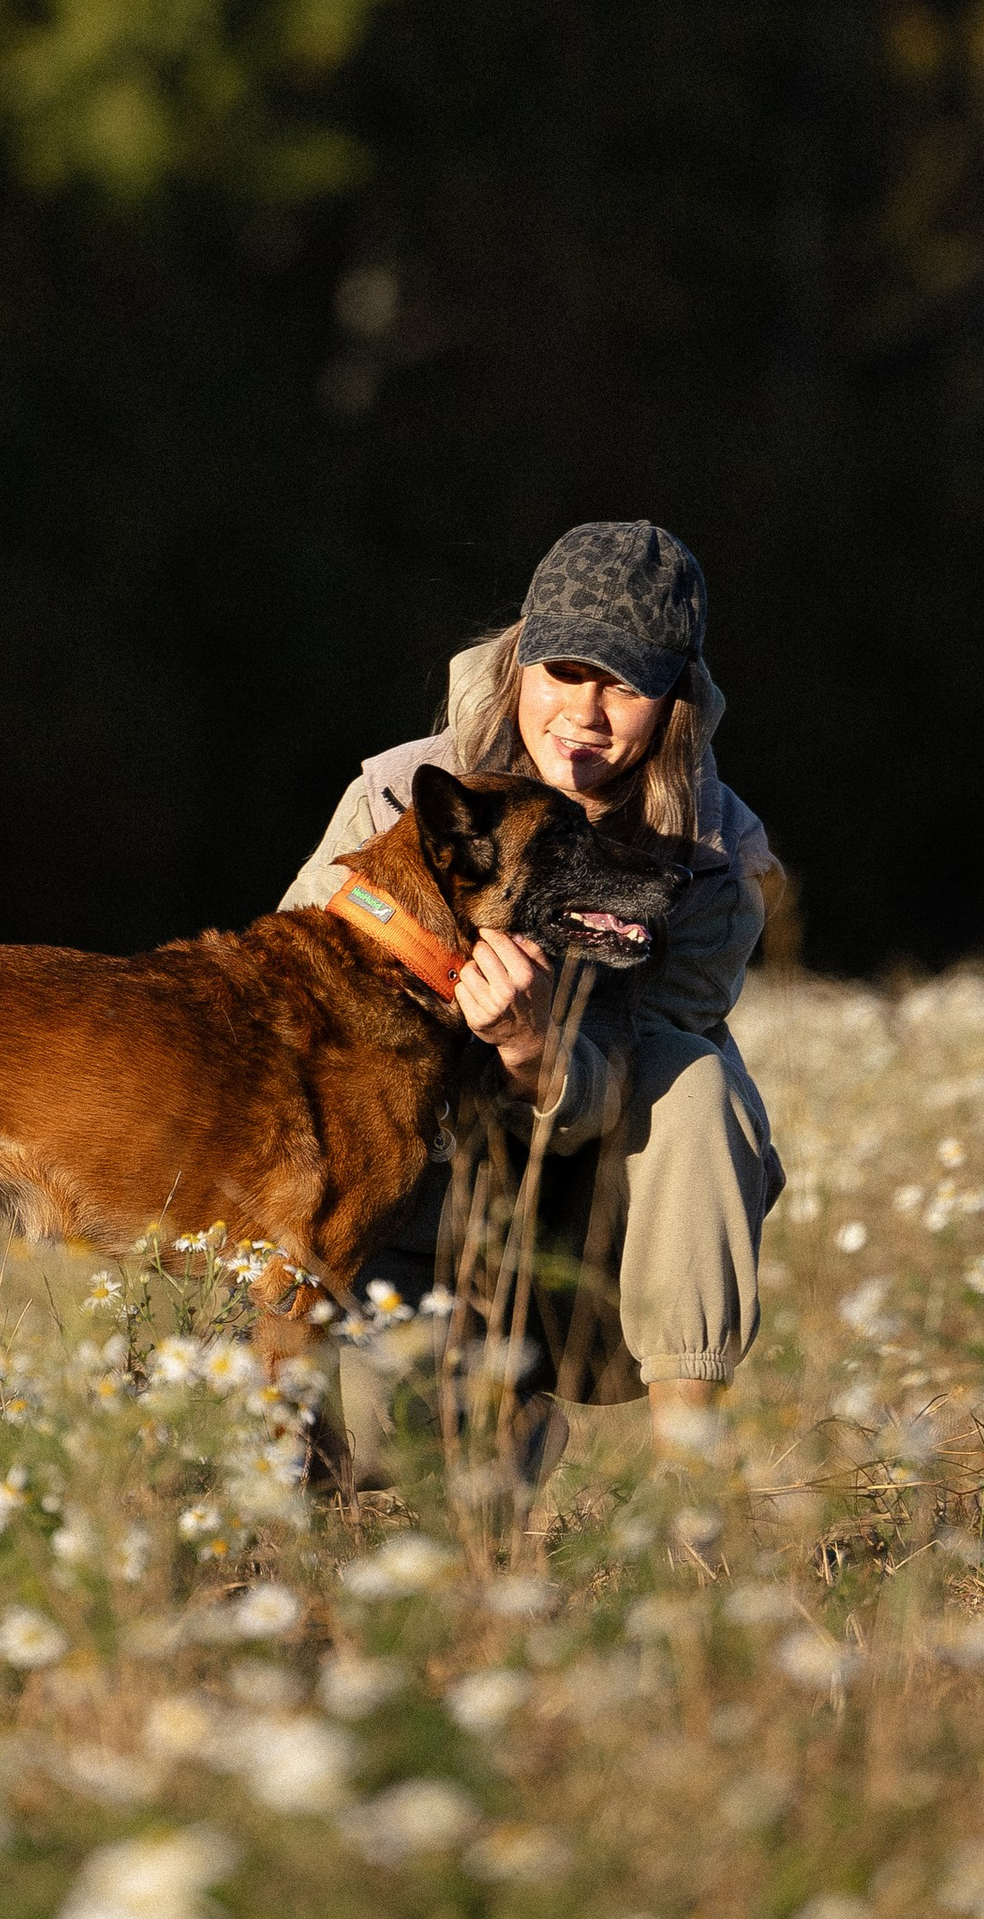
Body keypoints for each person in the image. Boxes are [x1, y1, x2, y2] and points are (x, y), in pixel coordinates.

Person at [278, 518, 783, 1453]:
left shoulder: (712, 867)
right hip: (402, 1219)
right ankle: (493, 1418)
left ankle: (694, 1488)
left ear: (677, 698)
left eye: (624, 684)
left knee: (695, 1081)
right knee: (394, 1440)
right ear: (517, 663)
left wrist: (532, 1047)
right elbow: (288, 1026)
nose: (584, 715)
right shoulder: (396, 800)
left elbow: (629, 1082)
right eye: (563, 672)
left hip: (578, 1246)